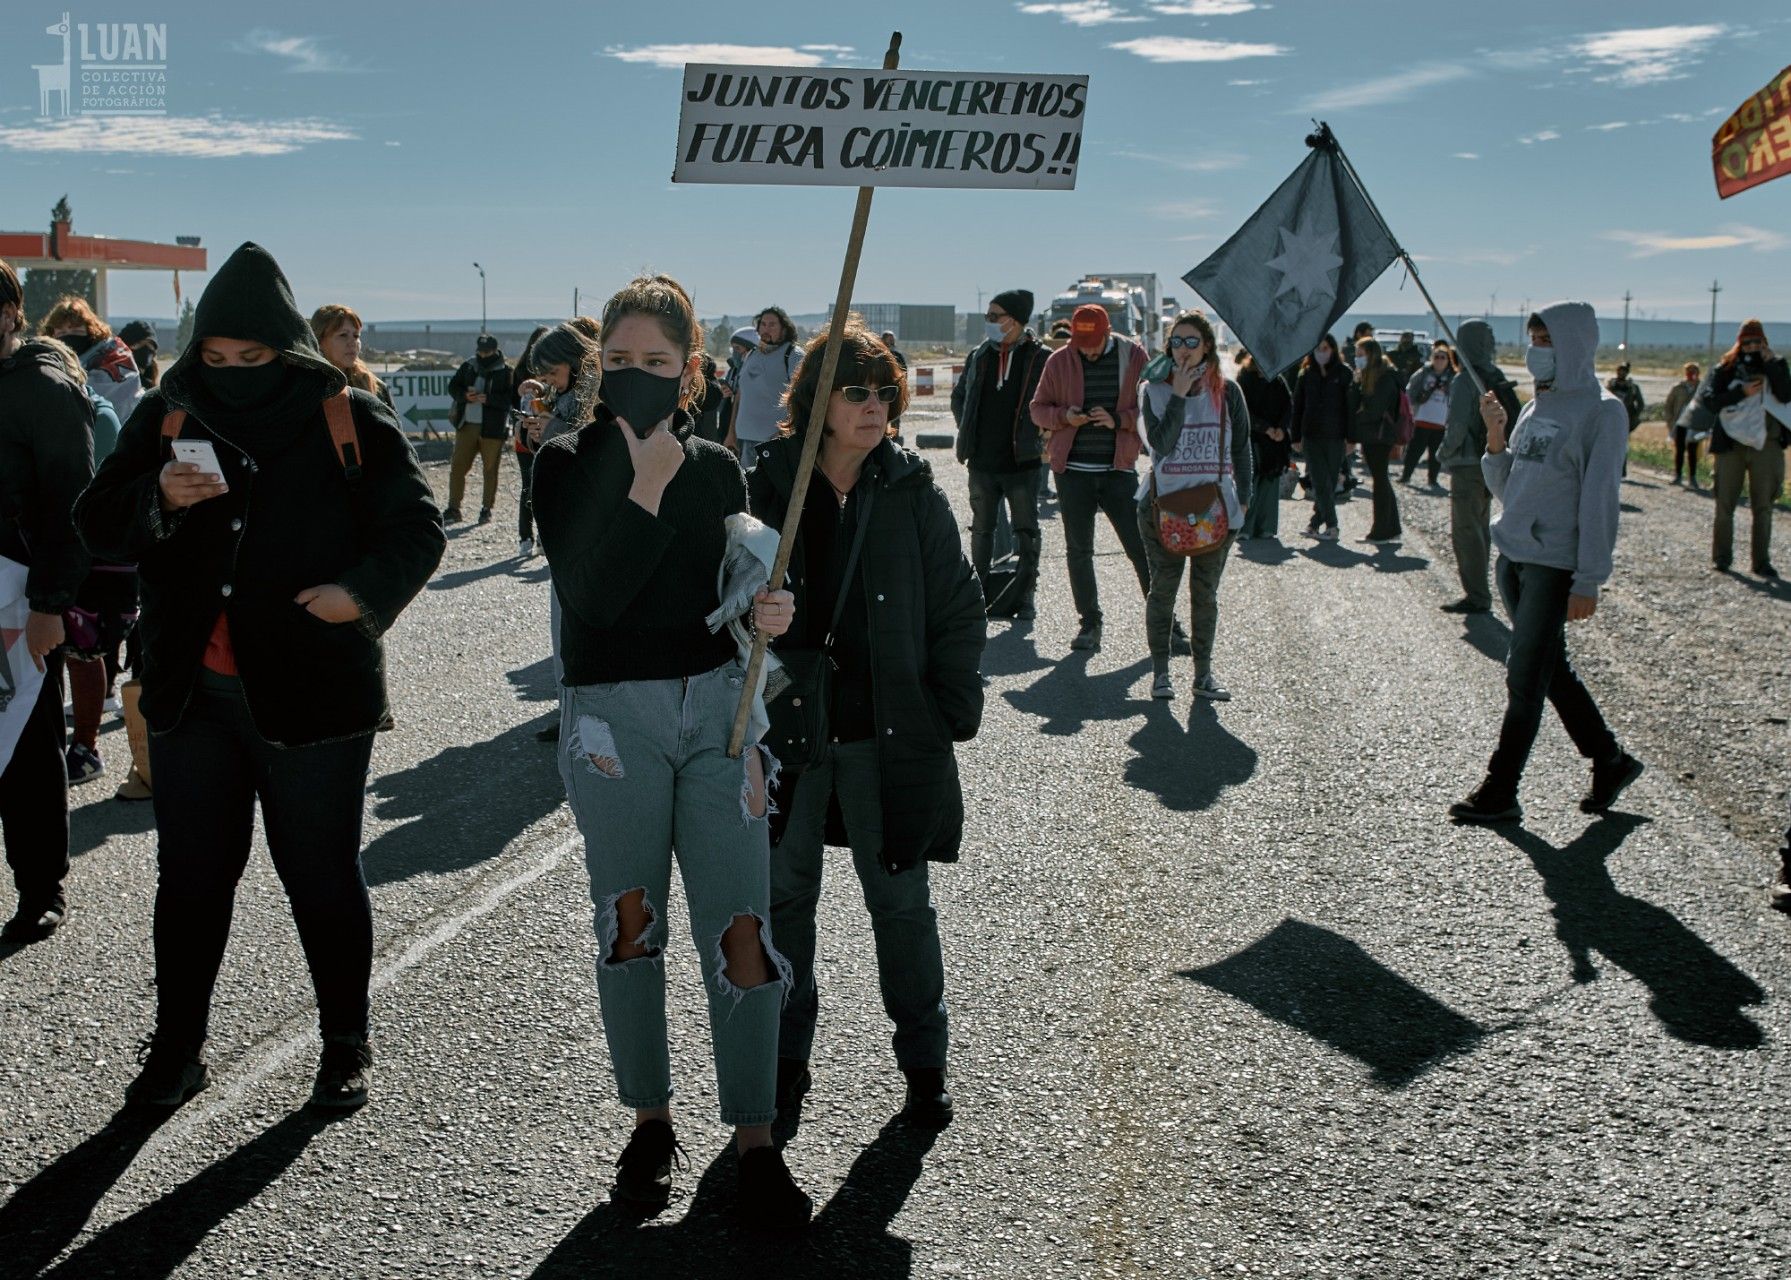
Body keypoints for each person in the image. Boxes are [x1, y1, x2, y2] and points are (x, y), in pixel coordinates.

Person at [74, 242, 445, 1108]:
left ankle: (345, 1040)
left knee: (319, 872)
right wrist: (159, 501)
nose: (233, 372)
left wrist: (358, 596)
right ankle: (176, 1050)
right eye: (217, 355)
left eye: (254, 357)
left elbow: (416, 529)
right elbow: (96, 523)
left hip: (316, 692)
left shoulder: (345, 414)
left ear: (288, 349)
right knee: (192, 878)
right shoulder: (169, 411)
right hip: (189, 693)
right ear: (196, 348)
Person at [529, 274, 811, 1225]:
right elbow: (594, 599)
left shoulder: (721, 470)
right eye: (619, 363)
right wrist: (643, 489)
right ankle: (649, 1117)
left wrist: (771, 606)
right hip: (612, 723)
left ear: (690, 369)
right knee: (631, 922)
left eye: (656, 362)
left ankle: (754, 1136)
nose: (636, 378)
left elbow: (735, 593)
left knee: (741, 929)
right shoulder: (563, 460)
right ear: (596, 366)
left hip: (719, 715)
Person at [747, 320, 985, 1136]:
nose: (877, 405)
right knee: (784, 905)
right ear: (814, 399)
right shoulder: (765, 487)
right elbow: (720, 602)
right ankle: (782, 1065)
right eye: (858, 390)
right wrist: (754, 617)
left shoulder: (912, 487)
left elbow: (957, 603)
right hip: (789, 735)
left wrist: (949, 707)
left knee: (902, 905)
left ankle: (925, 1067)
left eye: (887, 389)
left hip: (890, 738)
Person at [1449, 302, 1641, 825]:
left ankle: (1500, 788)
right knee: (1550, 671)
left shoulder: (1604, 412)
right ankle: (1610, 760)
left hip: (1553, 566)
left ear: (1574, 343)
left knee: (1525, 677)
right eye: (1532, 339)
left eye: (1546, 340)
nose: (1536, 351)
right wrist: (1495, 436)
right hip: (1513, 556)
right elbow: (1509, 487)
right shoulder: (1538, 407)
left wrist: (1589, 580)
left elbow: (1600, 501)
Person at [0, 258, 94, 943]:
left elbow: (72, 505)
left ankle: (40, 889)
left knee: (27, 745)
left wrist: (49, 602)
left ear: (10, 315)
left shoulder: (42, 388)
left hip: (18, 600)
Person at [1138, 312, 1253, 701]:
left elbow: (1242, 448)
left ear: (1207, 345)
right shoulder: (1152, 390)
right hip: (1163, 506)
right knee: (1163, 590)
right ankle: (1160, 673)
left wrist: (1247, 496)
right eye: (1177, 342)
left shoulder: (1229, 392)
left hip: (1215, 509)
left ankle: (1203, 675)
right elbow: (1162, 444)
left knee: (1205, 594)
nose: (1183, 350)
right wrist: (1179, 396)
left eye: (1192, 342)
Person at [1030, 303, 1152, 652]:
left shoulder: (1133, 355)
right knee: (1078, 550)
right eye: (1081, 344)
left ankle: (1164, 621)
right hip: (1073, 472)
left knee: (1139, 546)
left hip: (1118, 470)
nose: (1088, 350)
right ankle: (1090, 623)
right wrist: (1065, 416)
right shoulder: (1059, 361)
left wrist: (1120, 420)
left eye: (1094, 343)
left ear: (1108, 332)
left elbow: (1153, 406)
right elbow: (1037, 409)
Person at [39, 339, 130, 788]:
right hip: (70, 549)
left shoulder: (98, 414)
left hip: (94, 555)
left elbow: (95, 487)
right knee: (61, 651)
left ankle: (87, 746)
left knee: (83, 648)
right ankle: (65, 742)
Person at [952, 289, 1047, 620]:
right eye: (987, 317)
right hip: (982, 462)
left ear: (1016, 321)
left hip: (1023, 463)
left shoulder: (1040, 357)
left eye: (996, 317)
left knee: (1026, 531)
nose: (989, 323)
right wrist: (968, 431)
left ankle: (1026, 595)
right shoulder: (980, 355)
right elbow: (959, 396)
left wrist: (1040, 436)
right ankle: (977, 594)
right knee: (982, 530)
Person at [1437, 319, 1517, 615]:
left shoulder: (1464, 380)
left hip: (1467, 465)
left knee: (1467, 531)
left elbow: (1456, 426)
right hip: (1491, 461)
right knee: (1480, 527)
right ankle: (1480, 590)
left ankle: (1477, 595)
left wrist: (1442, 454)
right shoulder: (1493, 374)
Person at [1700, 319, 1790, 579]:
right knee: (1725, 503)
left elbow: (1785, 395)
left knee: (1764, 506)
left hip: (1768, 446)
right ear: (1739, 343)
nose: (1752, 347)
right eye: (1747, 342)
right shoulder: (1725, 368)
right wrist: (1741, 392)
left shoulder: (1777, 364)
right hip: (1731, 446)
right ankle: (1721, 558)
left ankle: (1761, 563)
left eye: (1757, 342)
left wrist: (1771, 364)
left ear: (1764, 342)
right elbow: (1710, 401)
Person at [445, 334, 514, 523]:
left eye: (486, 352)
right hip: (467, 425)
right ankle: (453, 508)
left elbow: (510, 399)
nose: (482, 356)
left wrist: (489, 399)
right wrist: (465, 395)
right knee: (458, 466)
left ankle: (486, 509)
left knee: (490, 469)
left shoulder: (506, 371)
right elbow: (452, 387)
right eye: (480, 352)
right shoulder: (469, 365)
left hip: (492, 428)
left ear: (494, 351)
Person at [41, 295, 142, 424]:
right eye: (62, 333)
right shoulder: (46, 361)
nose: (69, 338)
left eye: (76, 331)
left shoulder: (115, 355)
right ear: (52, 335)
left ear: (91, 329)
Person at [1291, 335, 1348, 541]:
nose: (1322, 353)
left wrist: (1351, 439)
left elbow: (1350, 409)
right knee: (1320, 480)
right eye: (1318, 349)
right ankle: (1332, 526)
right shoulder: (1305, 375)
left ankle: (1314, 524)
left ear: (1333, 349)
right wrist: (1295, 436)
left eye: (1325, 348)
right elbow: (1297, 408)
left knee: (1329, 482)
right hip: (1312, 436)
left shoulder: (1344, 374)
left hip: (1336, 436)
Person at [1347, 336, 1403, 543]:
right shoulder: (1369, 376)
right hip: (1373, 435)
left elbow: (1373, 410)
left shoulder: (1385, 378)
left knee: (1380, 482)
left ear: (1371, 355)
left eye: (1361, 355)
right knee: (1382, 480)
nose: (1357, 359)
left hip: (1380, 436)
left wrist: (1359, 414)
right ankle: (1391, 527)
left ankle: (1381, 530)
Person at [731, 306, 802, 460]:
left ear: (784, 329)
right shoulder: (752, 354)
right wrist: (731, 433)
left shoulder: (792, 355)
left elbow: (802, 396)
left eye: (772, 325)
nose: (766, 329)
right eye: (763, 324)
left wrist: (785, 431)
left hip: (774, 442)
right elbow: (740, 395)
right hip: (744, 440)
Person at [1235, 349, 1290, 540]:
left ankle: (1266, 526)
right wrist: (1265, 428)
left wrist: (1281, 429)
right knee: (1251, 481)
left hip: (1275, 441)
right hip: (1253, 437)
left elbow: (1287, 406)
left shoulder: (1278, 380)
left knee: (1270, 482)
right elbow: (1242, 409)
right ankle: (1246, 527)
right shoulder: (1244, 378)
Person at [310, 304, 398, 414]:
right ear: (319, 341)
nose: (353, 343)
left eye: (356, 336)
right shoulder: (306, 389)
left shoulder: (376, 388)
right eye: (343, 335)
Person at [510, 324, 551, 557]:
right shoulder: (521, 372)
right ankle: (526, 537)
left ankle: (536, 539)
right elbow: (512, 404)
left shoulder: (549, 372)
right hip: (526, 437)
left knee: (538, 487)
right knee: (529, 487)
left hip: (544, 435)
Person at [1402, 341, 1455, 487]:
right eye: (1436, 357)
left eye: (1443, 357)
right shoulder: (1423, 373)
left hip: (1441, 422)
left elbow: (1456, 398)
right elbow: (1410, 391)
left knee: (1435, 454)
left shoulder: (1452, 378)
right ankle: (1406, 475)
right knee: (1414, 450)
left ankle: (1433, 479)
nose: (1439, 360)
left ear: (1448, 360)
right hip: (1421, 419)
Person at [1662, 362, 1703, 488]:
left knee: (1693, 451)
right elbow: (1669, 405)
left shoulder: (1702, 388)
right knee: (1679, 450)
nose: (1692, 373)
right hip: (1679, 423)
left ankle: (1693, 478)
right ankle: (1678, 475)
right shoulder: (1678, 388)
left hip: (1695, 424)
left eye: (1694, 370)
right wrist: (1670, 421)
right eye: (1690, 371)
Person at [881, 329, 908, 440]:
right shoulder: (879, 355)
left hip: (895, 390)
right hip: (881, 391)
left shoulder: (897, 355)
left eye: (892, 339)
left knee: (895, 415)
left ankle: (894, 438)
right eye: (888, 338)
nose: (891, 341)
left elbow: (904, 372)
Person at [119, 319, 159, 392]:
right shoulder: (111, 383)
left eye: (151, 348)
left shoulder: (150, 390)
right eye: (138, 344)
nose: (146, 351)